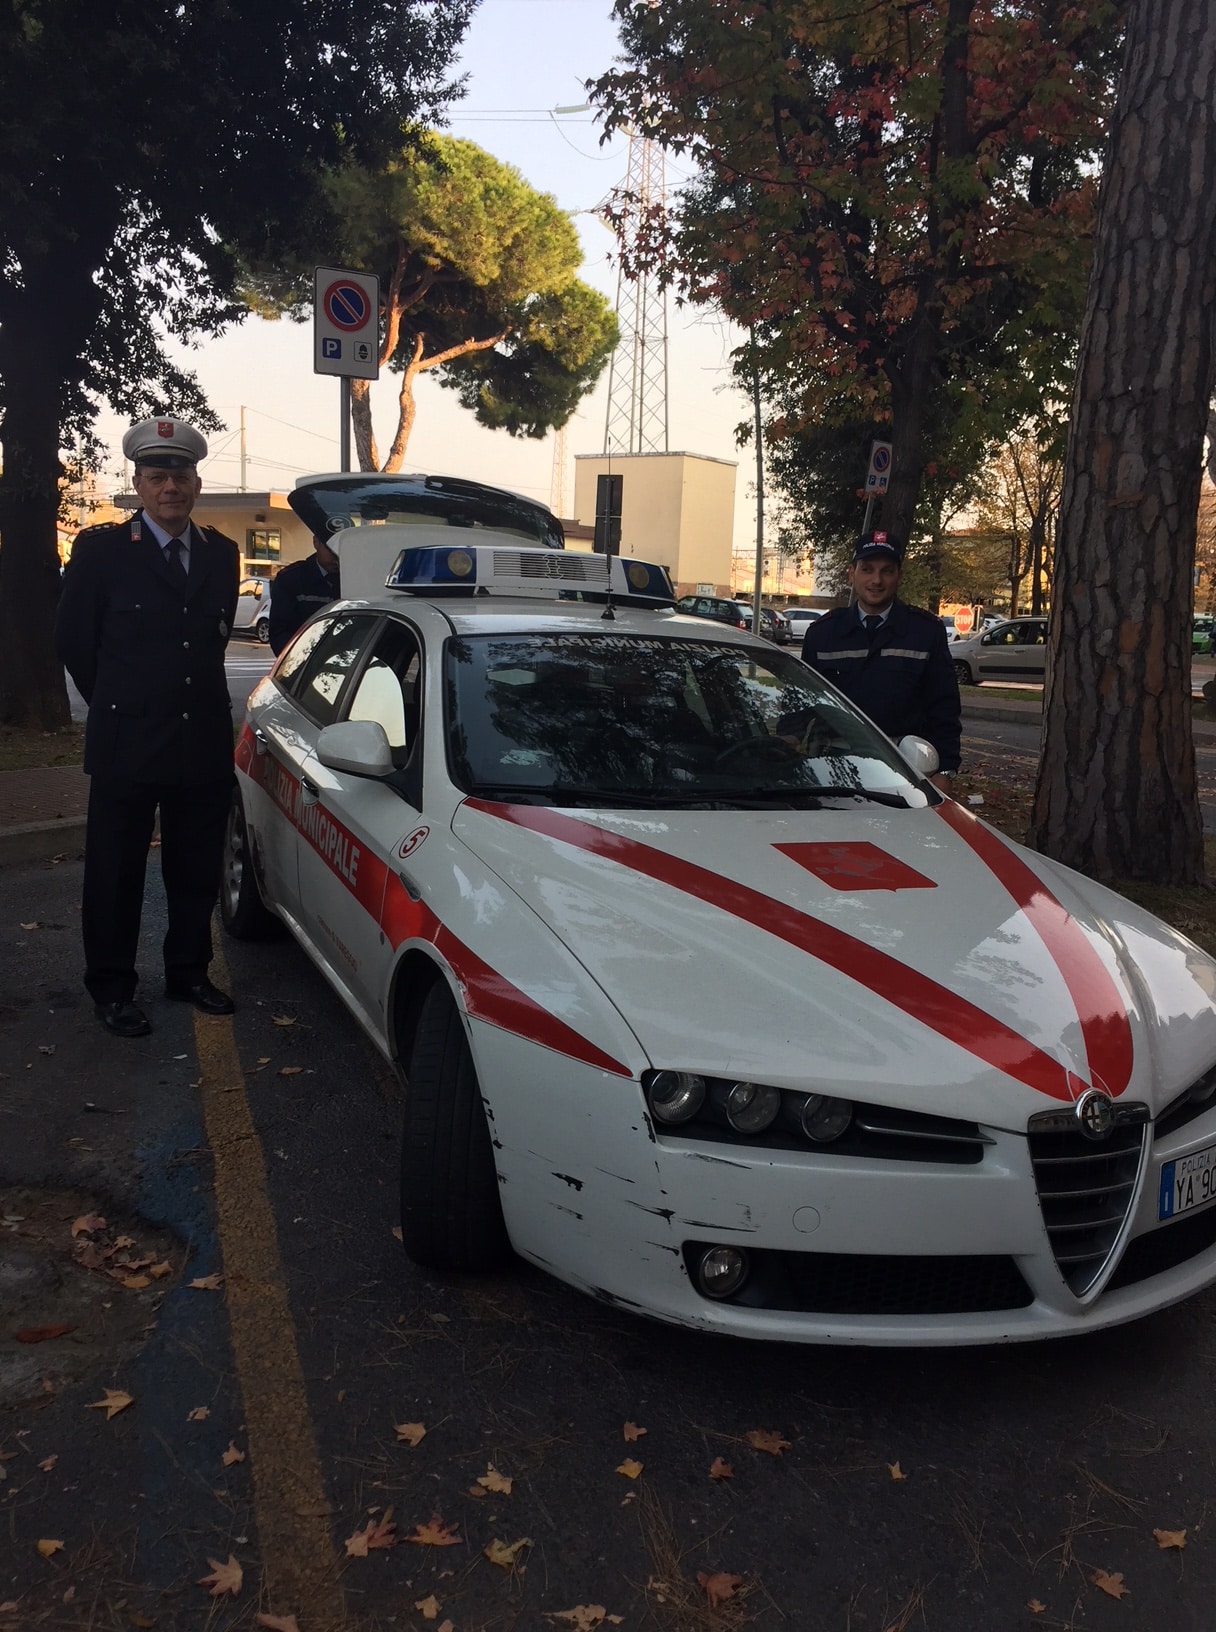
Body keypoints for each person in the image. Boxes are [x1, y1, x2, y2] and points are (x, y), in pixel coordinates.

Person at [55, 417, 240, 1037]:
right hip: (126, 741)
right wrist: (116, 704)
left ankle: (188, 973)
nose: (171, 487)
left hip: (201, 740)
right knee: (115, 873)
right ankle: (111, 988)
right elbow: (76, 643)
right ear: (138, 482)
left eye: (181, 475)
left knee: (193, 869)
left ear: (195, 481)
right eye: (158, 476)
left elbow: (207, 645)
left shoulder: (221, 553)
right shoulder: (102, 551)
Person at [800, 530, 961, 790]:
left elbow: (944, 707)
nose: (876, 580)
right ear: (852, 574)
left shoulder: (925, 632)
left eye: (886, 571)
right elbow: (802, 703)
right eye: (867, 569)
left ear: (899, 575)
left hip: (905, 770)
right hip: (832, 768)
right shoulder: (822, 634)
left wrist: (945, 770)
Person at [268, 533, 341, 654]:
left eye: (340, 549)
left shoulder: (354, 578)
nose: (336, 556)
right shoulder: (292, 580)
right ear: (316, 542)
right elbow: (280, 633)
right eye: (330, 549)